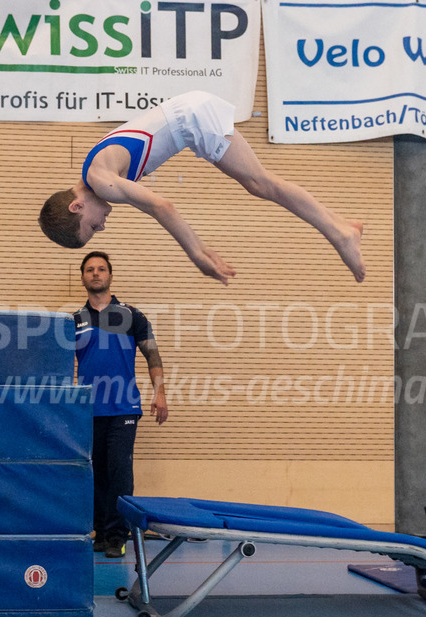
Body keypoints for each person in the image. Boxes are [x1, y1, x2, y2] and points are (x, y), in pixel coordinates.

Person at [39, 90, 366, 285]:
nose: (103, 225)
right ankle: (341, 225)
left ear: (76, 206)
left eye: (93, 227)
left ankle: (339, 233)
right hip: (189, 113)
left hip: (189, 120)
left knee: (260, 183)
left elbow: (162, 206)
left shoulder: (101, 182)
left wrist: (196, 253)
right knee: (262, 182)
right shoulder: (94, 170)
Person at [74, 251, 167, 559]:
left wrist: (160, 392)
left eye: (101, 269)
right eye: (90, 270)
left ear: (110, 276)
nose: (96, 273)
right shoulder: (74, 321)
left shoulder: (132, 316)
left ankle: (118, 535)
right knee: (95, 472)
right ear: (83, 277)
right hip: (89, 409)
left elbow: (152, 354)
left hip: (124, 408)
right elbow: (61, 364)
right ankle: (100, 531)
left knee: (118, 471)